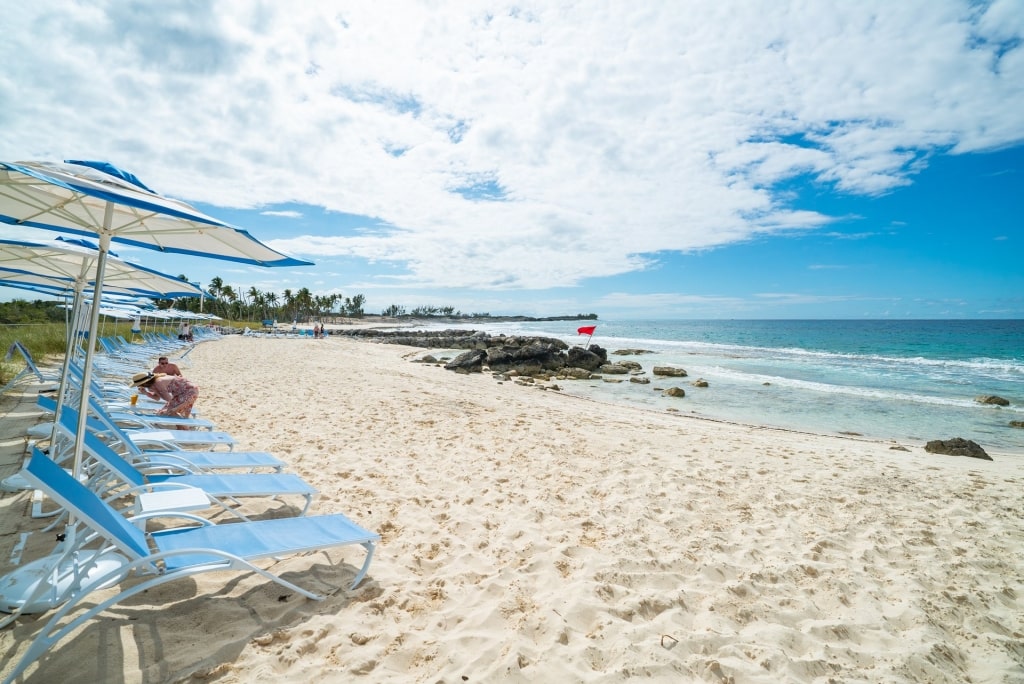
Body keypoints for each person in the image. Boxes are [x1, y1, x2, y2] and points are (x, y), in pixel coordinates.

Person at [130, 371, 199, 418]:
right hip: (181, 393)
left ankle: (185, 428)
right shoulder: (153, 385)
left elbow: (168, 398)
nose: (138, 386)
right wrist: (146, 393)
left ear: (144, 383)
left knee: (170, 412)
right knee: (165, 412)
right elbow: (157, 398)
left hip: (190, 391)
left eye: (138, 385)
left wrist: (161, 392)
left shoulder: (158, 382)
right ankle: (182, 427)